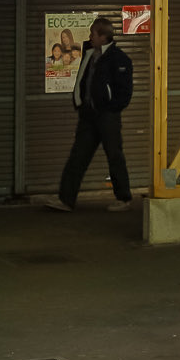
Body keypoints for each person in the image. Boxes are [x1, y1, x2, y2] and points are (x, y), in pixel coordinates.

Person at [44, 15, 134, 212]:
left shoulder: (119, 59)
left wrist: (111, 107)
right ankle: (66, 200)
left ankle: (124, 198)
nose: (90, 36)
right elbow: (84, 81)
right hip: (88, 115)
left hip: (107, 116)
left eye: (93, 33)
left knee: (114, 155)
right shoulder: (90, 54)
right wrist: (81, 105)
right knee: (78, 156)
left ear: (103, 36)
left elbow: (124, 91)